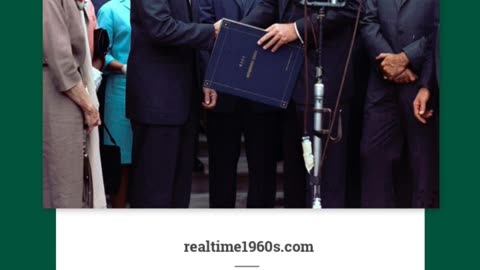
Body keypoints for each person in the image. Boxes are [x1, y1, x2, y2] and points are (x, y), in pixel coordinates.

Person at [241, 0, 360, 208]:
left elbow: (352, 8)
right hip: (289, 82)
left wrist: (296, 29)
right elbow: (270, 5)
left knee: (326, 178)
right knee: (294, 177)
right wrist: (237, 27)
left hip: (327, 80)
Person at [127, 0, 222, 208]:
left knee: (179, 193)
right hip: (157, 101)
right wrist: (211, 31)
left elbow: (191, 40)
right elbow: (161, 27)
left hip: (185, 100)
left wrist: (207, 79)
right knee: (153, 193)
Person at [197, 0, 281, 208]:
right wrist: (209, 79)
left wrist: (229, 31)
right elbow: (203, 32)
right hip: (222, 86)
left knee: (264, 168)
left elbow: (276, 16)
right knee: (221, 168)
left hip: (264, 87)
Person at [360, 0, 439, 208]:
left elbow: (440, 29)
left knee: (423, 167)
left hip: (423, 83)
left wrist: (406, 58)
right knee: (373, 159)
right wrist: (390, 66)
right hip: (381, 84)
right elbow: (368, 21)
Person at [43, 0, 102, 208]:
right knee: (62, 185)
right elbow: (60, 59)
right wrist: (88, 106)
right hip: (56, 90)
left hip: (60, 86)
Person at [97, 0, 132, 208]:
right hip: (120, 88)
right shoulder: (110, 9)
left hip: (151, 88)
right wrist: (123, 67)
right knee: (121, 160)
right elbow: (101, 51)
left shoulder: (157, 7)